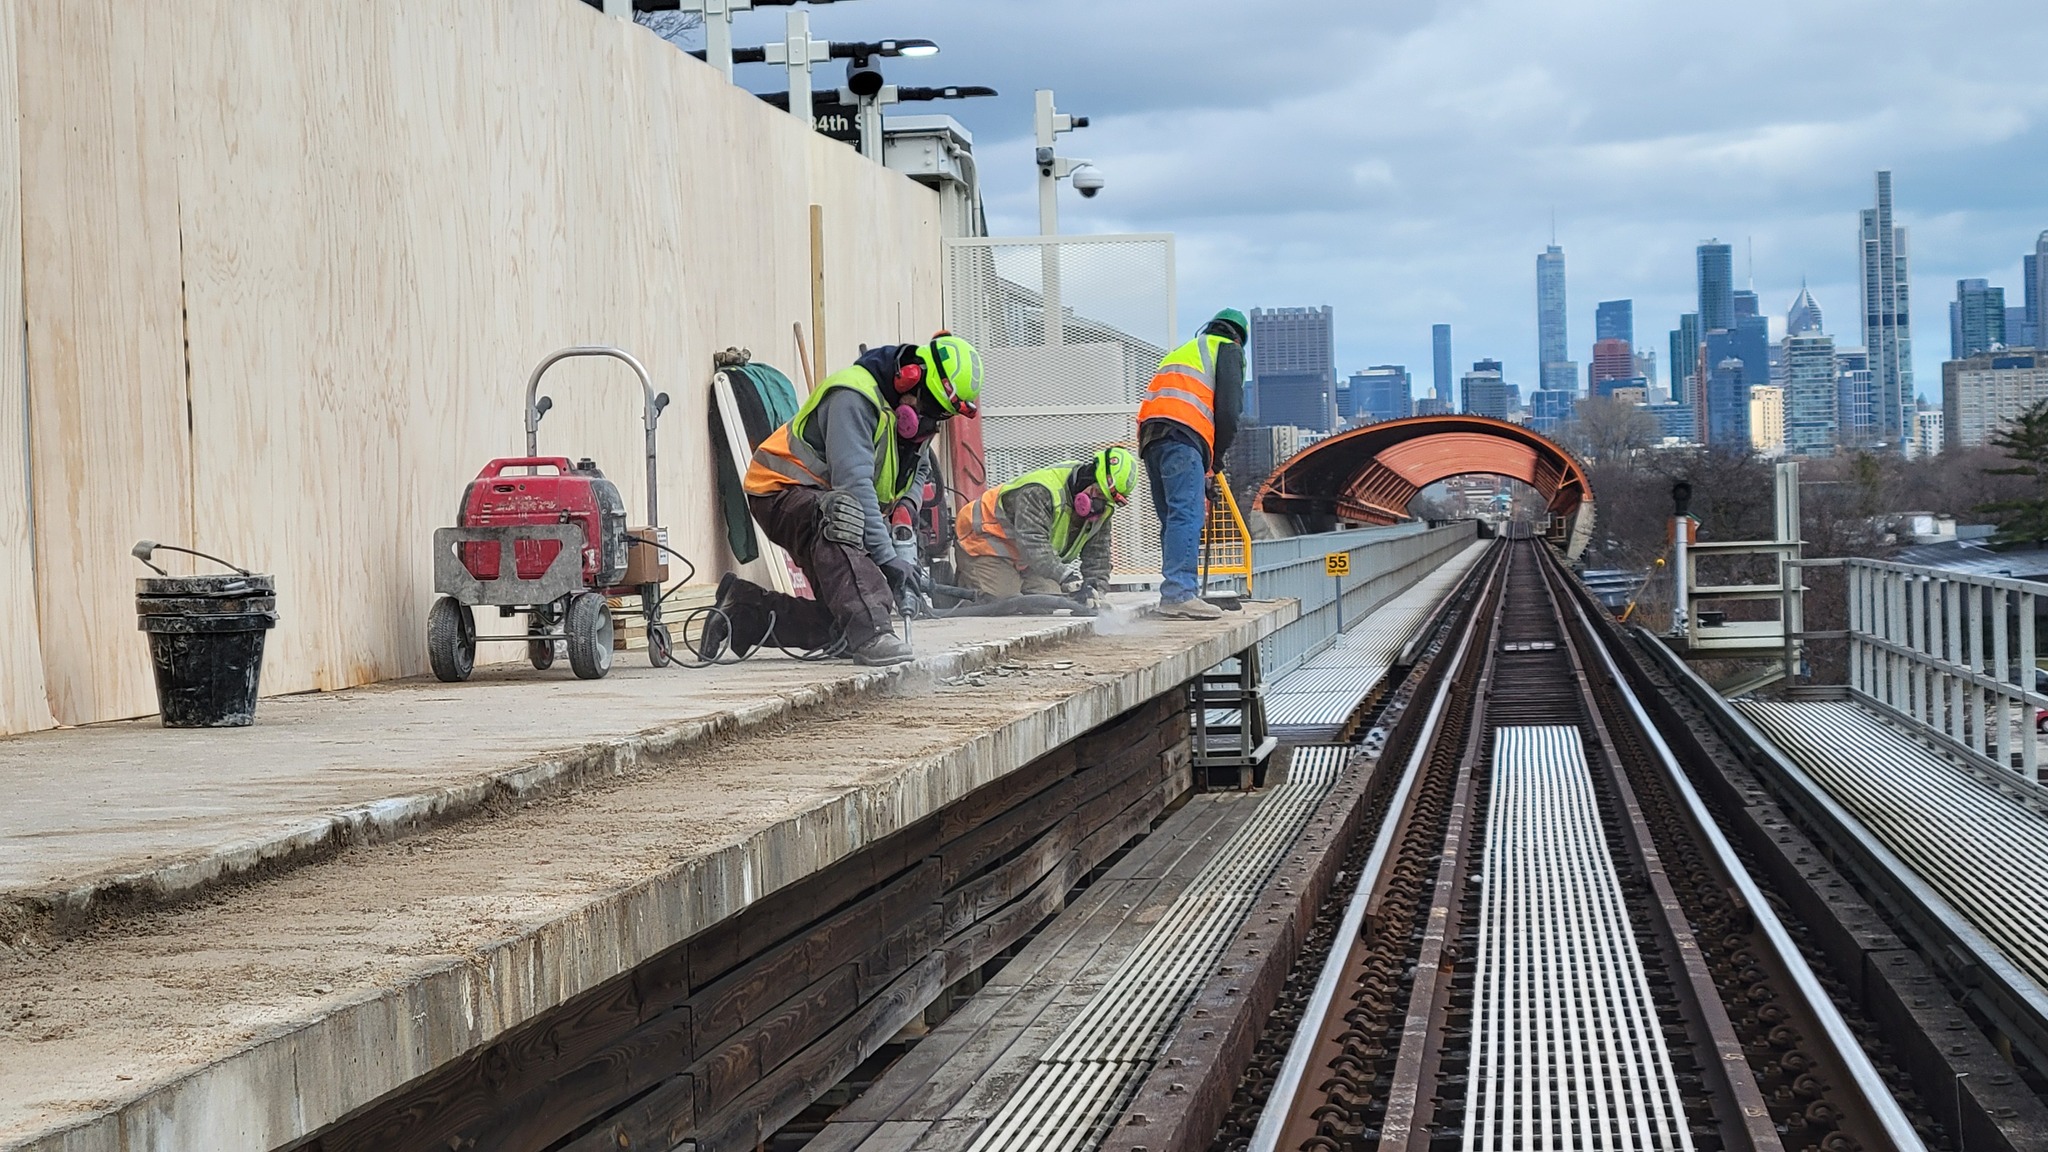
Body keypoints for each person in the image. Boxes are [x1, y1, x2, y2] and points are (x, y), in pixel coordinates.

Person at [702, 334, 980, 666]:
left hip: (828, 505)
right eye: (932, 408)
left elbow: (918, 470)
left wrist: (906, 507)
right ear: (911, 376)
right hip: (780, 492)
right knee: (842, 514)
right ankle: (873, 632)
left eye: (941, 416)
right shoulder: (853, 397)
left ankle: (741, 612)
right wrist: (889, 559)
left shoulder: (914, 418)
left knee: (841, 625)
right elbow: (855, 489)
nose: (930, 422)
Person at [1137, 308, 1245, 619]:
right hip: (1183, 438)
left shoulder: (1183, 351)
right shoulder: (1227, 349)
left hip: (1152, 439)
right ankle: (1180, 594)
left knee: (1172, 518)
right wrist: (1217, 459)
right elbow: (1228, 411)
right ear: (1239, 336)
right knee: (1187, 514)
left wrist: (1207, 464)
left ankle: (1175, 591)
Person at [954, 446, 1136, 607]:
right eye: (1096, 492)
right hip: (983, 542)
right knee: (1003, 600)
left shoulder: (1102, 510)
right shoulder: (1040, 491)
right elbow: (1033, 545)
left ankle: (1011, 581)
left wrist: (1097, 593)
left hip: (1023, 559)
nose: (1096, 504)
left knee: (1049, 600)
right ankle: (957, 589)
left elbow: (1098, 556)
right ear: (1089, 476)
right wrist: (1068, 578)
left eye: (1105, 500)